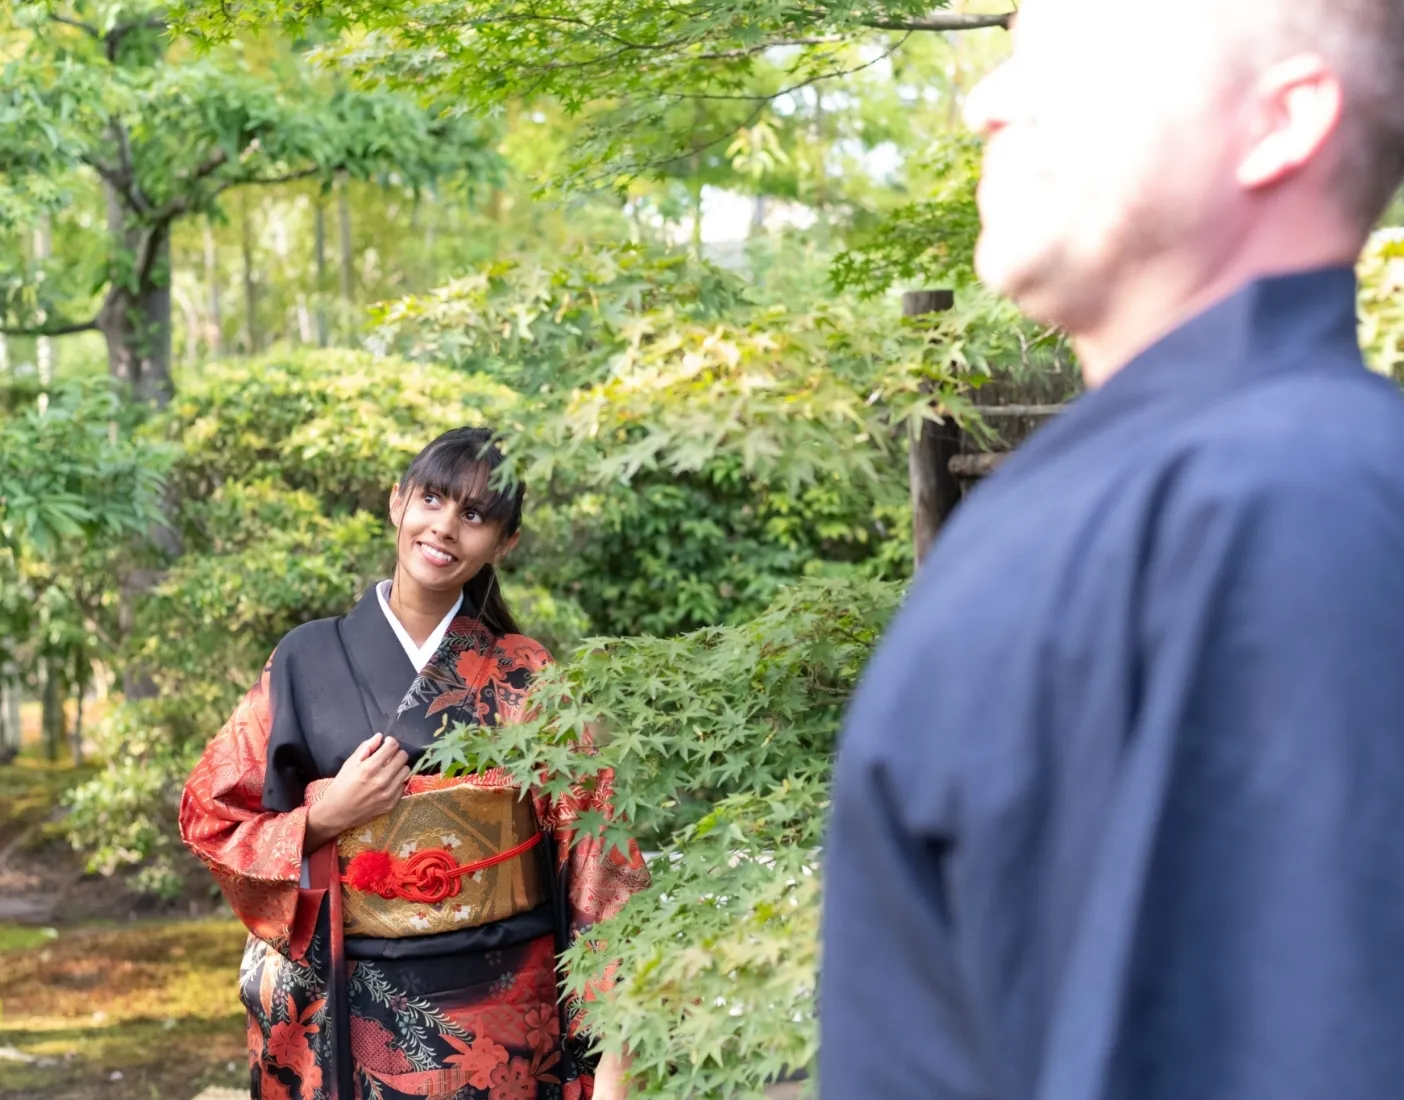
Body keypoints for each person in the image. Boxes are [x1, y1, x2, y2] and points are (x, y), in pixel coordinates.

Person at [821, 1, 1404, 1097]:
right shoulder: (1142, 491)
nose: (984, 99)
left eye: (1067, 54)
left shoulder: (1293, 503)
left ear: (1279, 120)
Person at [181, 426, 649, 1100]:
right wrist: (321, 818)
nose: (446, 527)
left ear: (505, 543)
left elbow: (600, 866)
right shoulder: (304, 660)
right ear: (397, 503)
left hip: (500, 1024)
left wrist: (612, 1061)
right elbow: (209, 816)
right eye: (432, 499)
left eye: (475, 514)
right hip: (341, 1007)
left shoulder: (526, 676)